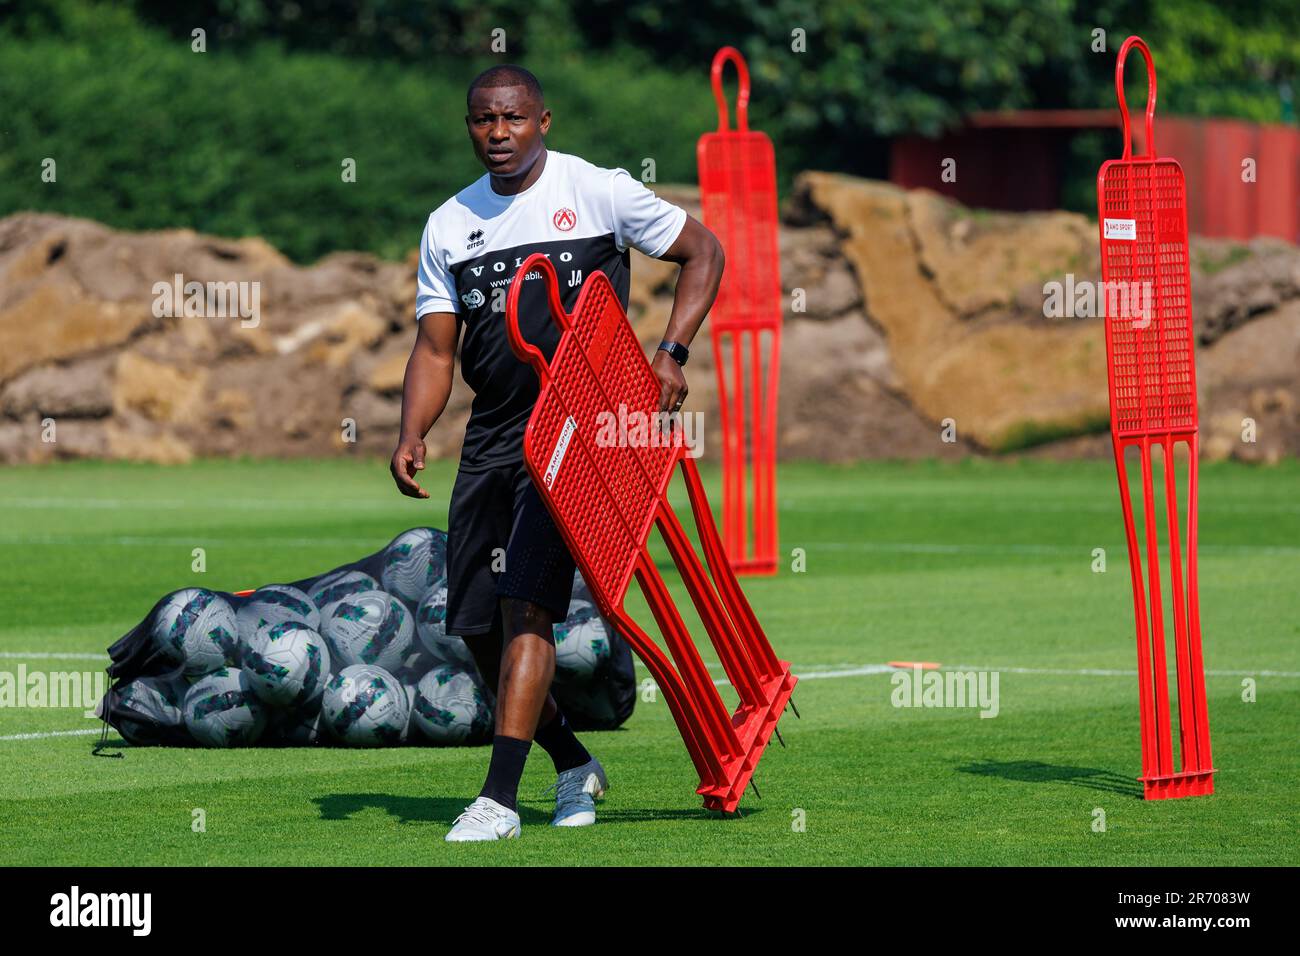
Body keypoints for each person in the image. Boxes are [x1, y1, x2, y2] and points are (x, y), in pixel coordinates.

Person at [390, 64, 724, 842]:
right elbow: (436, 351)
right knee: (476, 626)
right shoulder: (449, 224)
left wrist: (671, 351)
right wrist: (413, 429)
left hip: (584, 434)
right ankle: (572, 762)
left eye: (511, 118)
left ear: (544, 120)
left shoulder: (598, 191)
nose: (497, 134)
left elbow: (704, 251)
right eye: (482, 121)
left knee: (527, 607)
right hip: (494, 442)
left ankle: (499, 801)